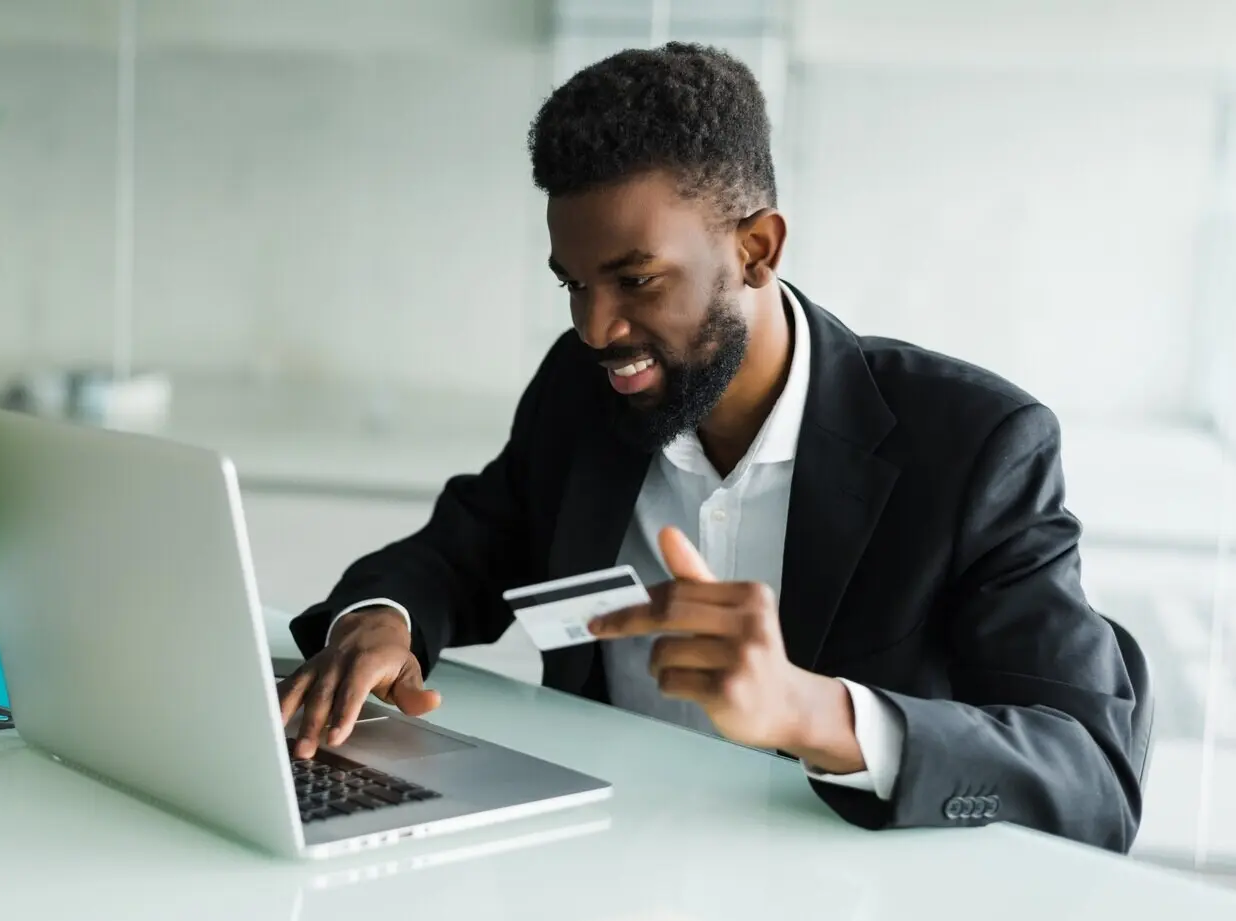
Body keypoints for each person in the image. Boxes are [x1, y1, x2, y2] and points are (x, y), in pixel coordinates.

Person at [282, 42, 1143, 853]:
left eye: (636, 279)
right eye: (574, 284)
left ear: (756, 248)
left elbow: (1090, 778)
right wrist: (379, 622)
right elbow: (465, 547)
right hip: (600, 866)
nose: (595, 328)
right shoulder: (585, 390)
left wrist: (812, 712)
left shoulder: (975, 445)